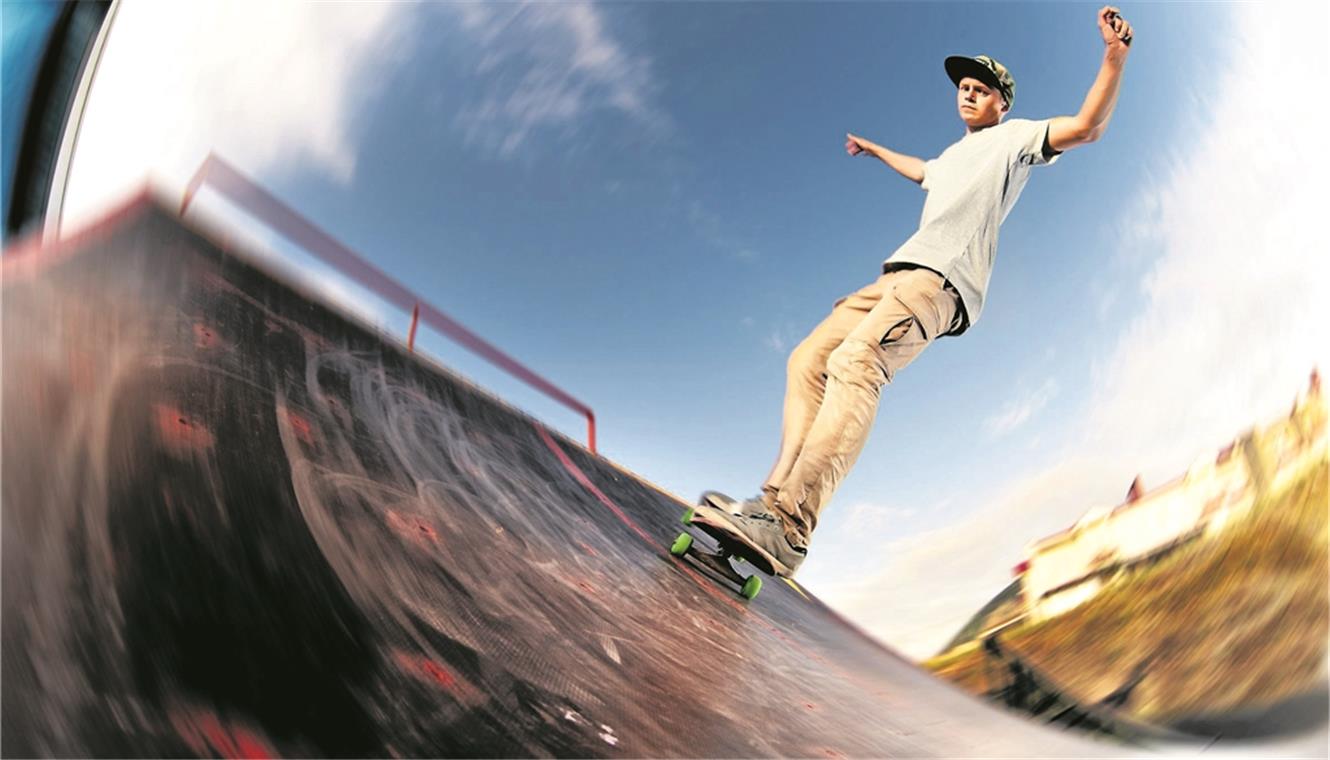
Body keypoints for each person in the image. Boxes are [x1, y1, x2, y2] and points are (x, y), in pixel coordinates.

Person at [694, 6, 1135, 577]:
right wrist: (877, 151)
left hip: (939, 283)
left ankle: (790, 525)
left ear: (1004, 102)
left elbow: (1086, 126)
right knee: (809, 361)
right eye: (964, 89)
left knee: (858, 362)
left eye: (982, 90)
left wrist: (1113, 58)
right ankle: (768, 503)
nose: (969, 96)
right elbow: (923, 170)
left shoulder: (1017, 140)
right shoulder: (953, 156)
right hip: (895, 276)